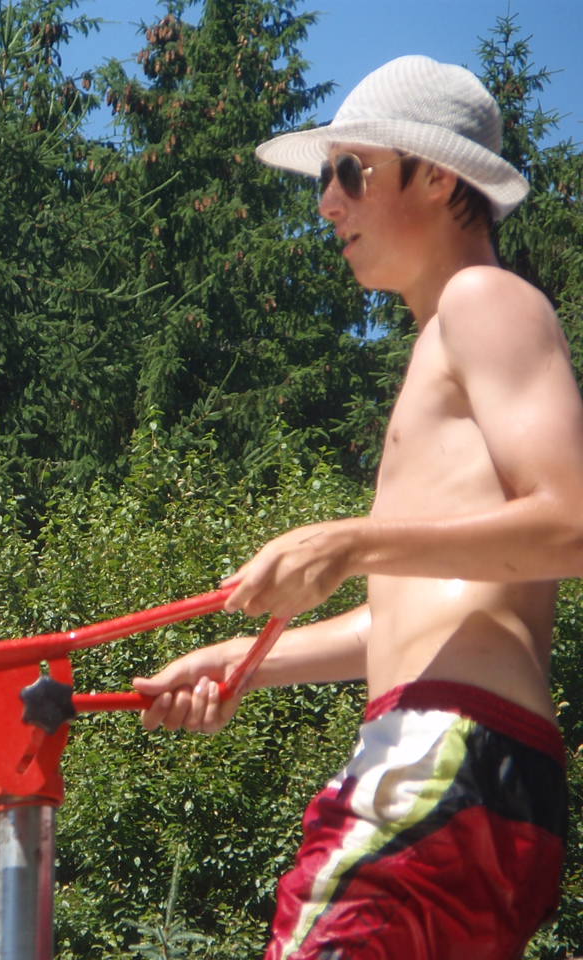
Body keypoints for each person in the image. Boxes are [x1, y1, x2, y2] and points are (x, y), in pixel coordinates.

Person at [133, 55, 583, 959]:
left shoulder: (484, 299)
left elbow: (572, 523)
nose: (327, 203)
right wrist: (242, 660)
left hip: (444, 749)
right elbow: (413, 614)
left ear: (439, 176)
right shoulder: (441, 340)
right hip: (473, 765)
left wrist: (349, 541)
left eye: (350, 171)